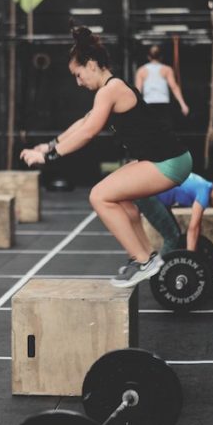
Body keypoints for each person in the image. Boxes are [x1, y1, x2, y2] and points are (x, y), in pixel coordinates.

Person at [21, 24, 193, 288]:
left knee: (98, 195)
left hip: (169, 161)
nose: (78, 83)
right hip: (160, 158)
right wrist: (49, 144)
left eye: (78, 75)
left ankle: (143, 261)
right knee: (120, 200)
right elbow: (83, 122)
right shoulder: (108, 92)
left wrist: (50, 157)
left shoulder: (110, 90)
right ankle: (146, 257)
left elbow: (89, 132)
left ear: (91, 65)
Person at [134, 173, 213, 256]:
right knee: (172, 236)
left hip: (155, 196)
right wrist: (190, 258)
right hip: (148, 195)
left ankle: (168, 265)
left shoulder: (204, 185)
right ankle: (157, 271)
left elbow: (196, 227)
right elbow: (193, 227)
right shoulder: (204, 192)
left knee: (175, 234)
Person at [135, 45, 190, 123]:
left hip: (148, 103)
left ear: (148, 57)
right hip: (163, 103)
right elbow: (174, 87)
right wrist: (183, 104)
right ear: (161, 57)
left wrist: (136, 107)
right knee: (164, 129)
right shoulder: (167, 69)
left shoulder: (141, 70)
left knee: (150, 129)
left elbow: (138, 91)